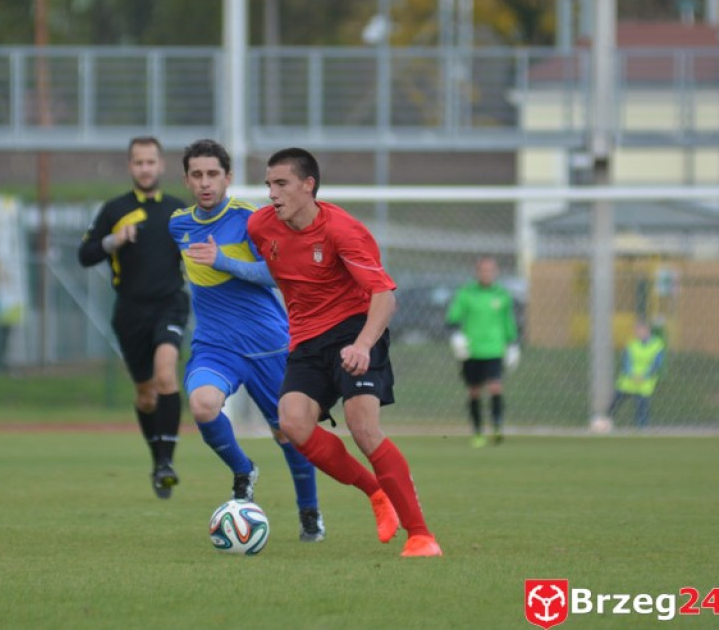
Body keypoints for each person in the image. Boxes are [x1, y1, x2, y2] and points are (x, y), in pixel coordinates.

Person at [247, 147, 442, 558]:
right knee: (292, 424)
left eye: (281, 184)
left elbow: (385, 297)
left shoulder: (343, 230)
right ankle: (375, 492)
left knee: (362, 427)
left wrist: (364, 344)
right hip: (304, 340)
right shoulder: (261, 226)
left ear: (308, 185)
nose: (272, 194)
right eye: (268, 185)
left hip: (354, 330)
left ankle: (422, 536)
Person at [169, 139, 325, 542]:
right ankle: (243, 470)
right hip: (216, 347)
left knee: (289, 434)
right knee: (203, 405)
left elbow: (277, 274)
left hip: (270, 346)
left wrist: (223, 261)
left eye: (213, 174)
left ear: (228, 177)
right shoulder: (179, 225)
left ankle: (309, 511)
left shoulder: (254, 221)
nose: (205, 183)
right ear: (187, 179)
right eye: (197, 175)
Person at [78, 137, 189, 499]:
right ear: (130, 167)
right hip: (130, 312)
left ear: (161, 165)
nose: (145, 168)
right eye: (138, 162)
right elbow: (85, 254)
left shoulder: (177, 211)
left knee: (165, 372)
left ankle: (168, 462)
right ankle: (157, 462)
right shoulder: (115, 210)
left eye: (151, 161)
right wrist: (114, 240)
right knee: (145, 395)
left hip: (170, 304)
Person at [445, 256, 520, 448]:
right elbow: (453, 317)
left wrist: (512, 344)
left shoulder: (502, 295)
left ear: (496, 273)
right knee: (474, 391)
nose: (486, 274)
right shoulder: (467, 293)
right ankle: (477, 431)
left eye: (490, 270)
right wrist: (457, 337)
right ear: (477, 272)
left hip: (494, 348)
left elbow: (508, 321)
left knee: (495, 386)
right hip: (472, 350)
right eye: (483, 270)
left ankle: (497, 424)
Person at [604, 318, 665, 429]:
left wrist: (645, 375)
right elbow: (626, 361)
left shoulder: (657, 344)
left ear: (647, 330)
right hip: (629, 379)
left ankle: (642, 426)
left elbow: (657, 363)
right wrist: (631, 374)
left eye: (639, 330)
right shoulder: (632, 344)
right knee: (617, 399)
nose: (637, 333)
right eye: (636, 331)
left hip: (645, 380)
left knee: (642, 404)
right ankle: (606, 420)